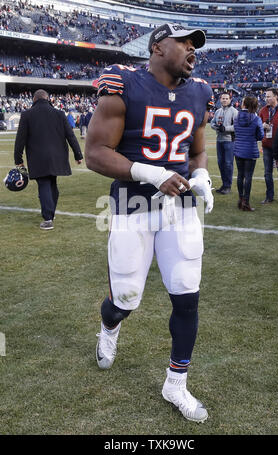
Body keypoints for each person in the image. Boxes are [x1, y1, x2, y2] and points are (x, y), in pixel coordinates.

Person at [85, 23, 215, 423]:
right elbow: (95, 153)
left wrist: (201, 176)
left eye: (196, 45)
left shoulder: (199, 92)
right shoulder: (125, 84)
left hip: (180, 209)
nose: (193, 50)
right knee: (125, 298)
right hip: (131, 205)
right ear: (157, 47)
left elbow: (196, 152)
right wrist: (149, 172)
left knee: (186, 294)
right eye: (185, 43)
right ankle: (109, 328)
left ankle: (175, 383)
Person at [14, 89, 83, 230]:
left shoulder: (27, 115)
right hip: (57, 156)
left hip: (38, 156)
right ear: (48, 99)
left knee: (44, 184)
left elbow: (20, 139)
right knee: (52, 183)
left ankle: (48, 218)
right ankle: (50, 212)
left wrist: (18, 159)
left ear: (34, 99)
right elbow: (70, 135)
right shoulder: (59, 113)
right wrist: (78, 155)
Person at [259, 88, 278, 204]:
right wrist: (262, 125)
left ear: (276, 96)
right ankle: (269, 196)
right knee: (267, 173)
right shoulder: (262, 110)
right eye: (266, 97)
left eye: (269, 96)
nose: (266, 99)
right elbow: (258, 127)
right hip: (267, 145)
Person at [233, 96, 264, 211]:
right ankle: (246, 202)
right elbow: (260, 136)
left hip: (238, 149)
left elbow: (237, 132)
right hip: (250, 149)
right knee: (248, 176)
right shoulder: (256, 119)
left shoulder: (236, 117)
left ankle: (241, 200)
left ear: (244, 104)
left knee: (240, 175)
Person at [210, 92, 238, 194]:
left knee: (228, 164)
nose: (224, 100)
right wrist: (217, 127)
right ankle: (224, 184)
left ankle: (228, 186)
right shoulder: (218, 111)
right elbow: (212, 123)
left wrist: (225, 128)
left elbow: (237, 126)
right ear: (220, 100)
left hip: (229, 141)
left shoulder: (234, 112)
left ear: (230, 100)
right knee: (220, 163)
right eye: (223, 98)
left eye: (226, 98)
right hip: (219, 140)